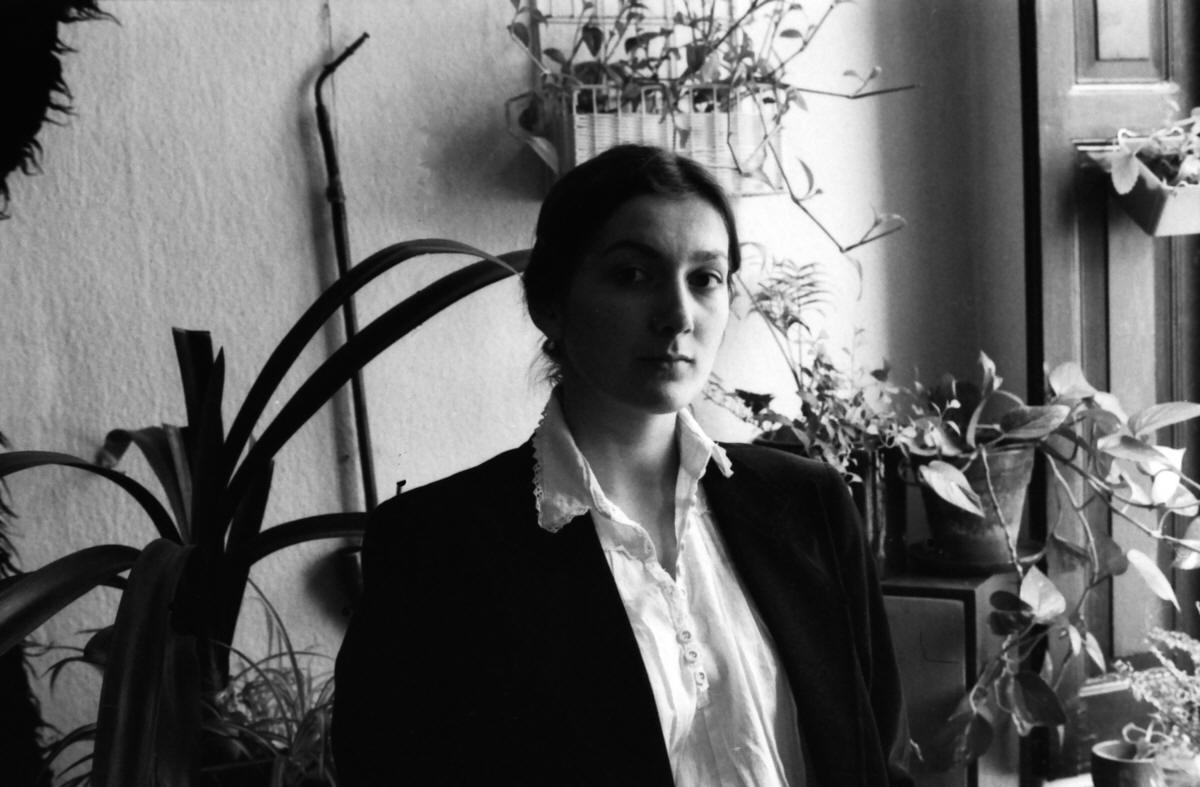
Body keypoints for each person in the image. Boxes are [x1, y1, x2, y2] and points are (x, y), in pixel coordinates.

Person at [333, 144, 912, 786]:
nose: (678, 315)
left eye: (705, 278)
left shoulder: (810, 502)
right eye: (633, 275)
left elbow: (879, 758)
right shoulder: (437, 548)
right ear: (550, 303)